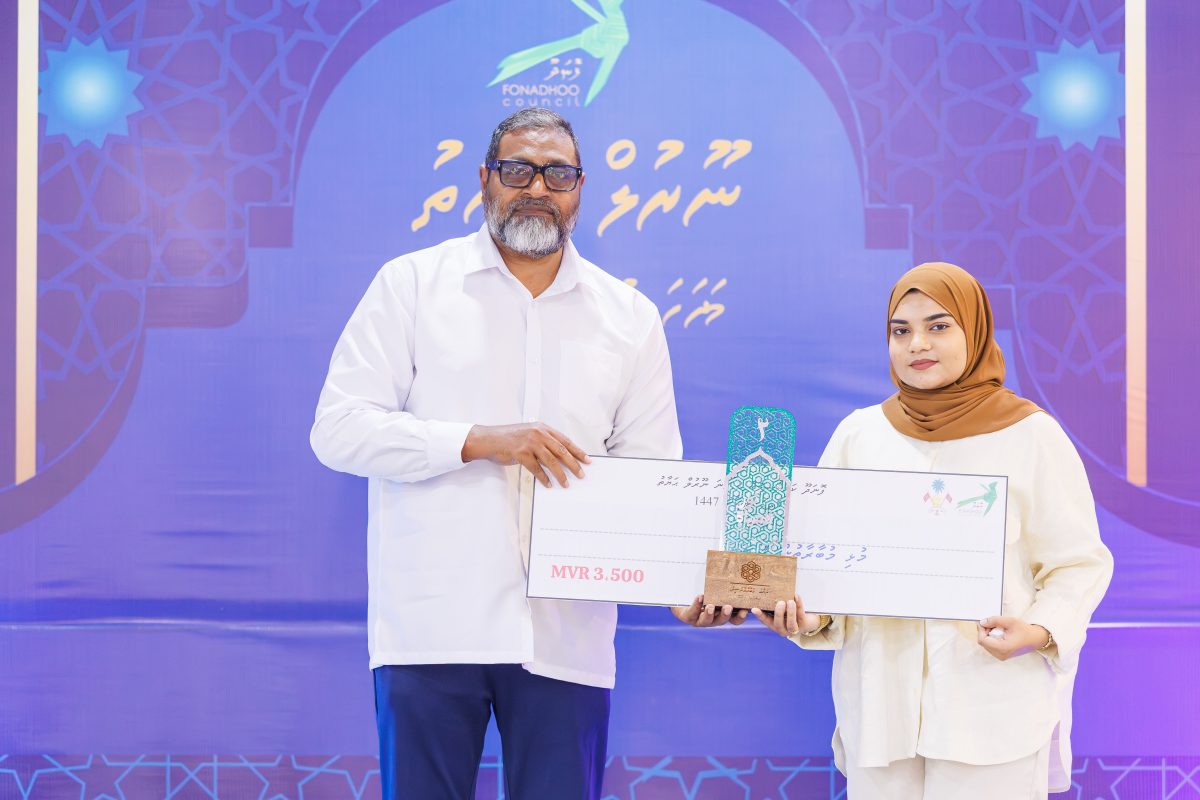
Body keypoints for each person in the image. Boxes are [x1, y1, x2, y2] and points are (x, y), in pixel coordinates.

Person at [310, 108, 683, 800]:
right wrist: (478, 440)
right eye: (518, 170)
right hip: (431, 626)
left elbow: (651, 480)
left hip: (566, 636)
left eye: (558, 174)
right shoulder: (412, 285)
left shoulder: (629, 318)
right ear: (484, 179)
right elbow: (338, 428)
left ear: (580, 189)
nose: (537, 187)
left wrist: (682, 589)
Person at [754, 262, 1113, 799]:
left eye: (939, 326)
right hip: (881, 712)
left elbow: (1078, 564)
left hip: (989, 708)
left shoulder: (1031, 435)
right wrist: (809, 615)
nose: (917, 344)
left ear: (975, 330)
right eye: (900, 331)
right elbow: (825, 562)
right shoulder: (859, 435)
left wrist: (1038, 630)